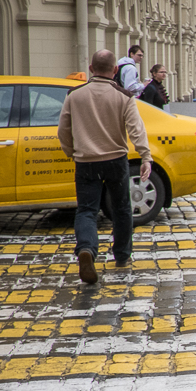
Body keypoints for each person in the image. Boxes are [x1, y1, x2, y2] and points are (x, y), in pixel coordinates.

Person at [58, 49, 152, 285]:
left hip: (86, 161)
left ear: (91, 69)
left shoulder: (74, 95)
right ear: (115, 70)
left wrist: (72, 152)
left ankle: (87, 249)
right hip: (116, 161)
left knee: (87, 210)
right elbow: (136, 130)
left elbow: (63, 131)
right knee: (121, 209)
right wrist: (145, 157)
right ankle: (121, 254)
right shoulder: (124, 96)